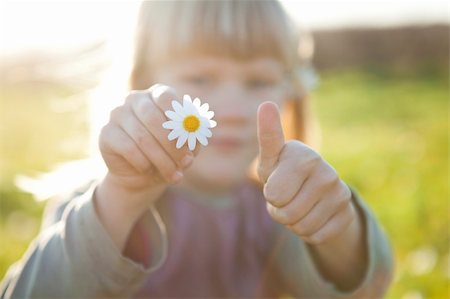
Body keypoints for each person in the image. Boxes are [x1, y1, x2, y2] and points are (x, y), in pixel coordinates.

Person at [0, 1, 393, 298]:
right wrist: (121, 197)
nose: (234, 110)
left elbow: (366, 289)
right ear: (143, 86)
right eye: (201, 77)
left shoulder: (275, 213)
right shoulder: (97, 207)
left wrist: (336, 229)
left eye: (258, 81)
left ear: (290, 94)